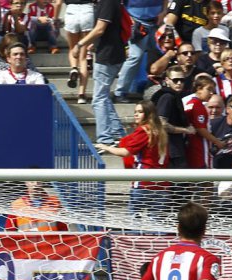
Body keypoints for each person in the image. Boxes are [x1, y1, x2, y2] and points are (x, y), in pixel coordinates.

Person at [96, 100, 171, 213]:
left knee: (135, 224)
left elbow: (126, 152)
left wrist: (107, 147)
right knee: (157, 224)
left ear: (148, 114)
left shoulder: (144, 130)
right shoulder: (161, 132)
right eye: (135, 111)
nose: (136, 114)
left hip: (144, 182)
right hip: (162, 184)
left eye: (140, 112)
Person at [73, 0, 126, 145]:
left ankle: (105, 139)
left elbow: (100, 29)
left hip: (108, 55)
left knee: (98, 99)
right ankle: (117, 132)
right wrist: (94, 44)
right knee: (103, 96)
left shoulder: (107, 2)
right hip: (110, 53)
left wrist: (80, 44)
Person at [62, 0, 96, 102]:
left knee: (72, 48)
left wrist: (55, 18)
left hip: (71, 10)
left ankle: (74, 68)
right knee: (84, 56)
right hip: (87, 10)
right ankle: (81, 94)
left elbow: (58, 3)